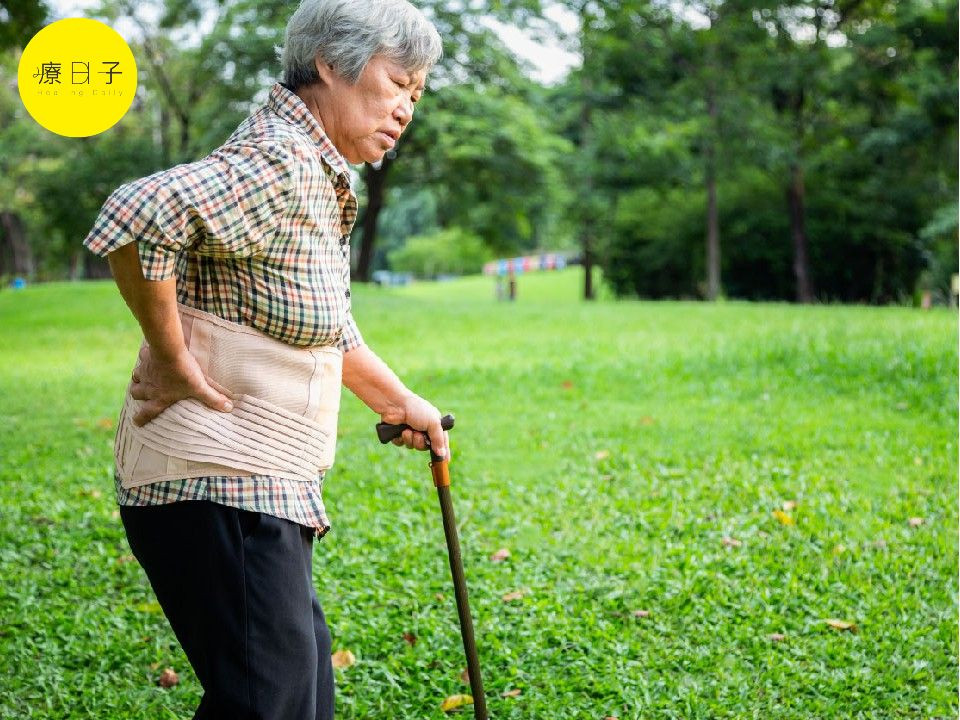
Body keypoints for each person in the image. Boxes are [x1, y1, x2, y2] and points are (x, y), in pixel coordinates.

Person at [81, 2, 443, 718]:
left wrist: (400, 402)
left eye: (417, 94)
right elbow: (140, 215)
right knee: (269, 701)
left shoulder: (316, 170)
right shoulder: (281, 160)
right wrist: (170, 350)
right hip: (215, 481)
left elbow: (322, 328)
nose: (406, 107)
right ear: (332, 65)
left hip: (258, 484)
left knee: (298, 691)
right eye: (398, 82)